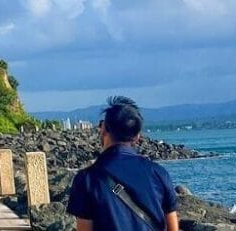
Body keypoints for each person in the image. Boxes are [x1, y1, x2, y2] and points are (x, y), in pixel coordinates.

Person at [67, 96, 179, 231]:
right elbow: (173, 227)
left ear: (103, 129)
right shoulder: (158, 173)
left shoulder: (87, 179)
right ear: (137, 137)